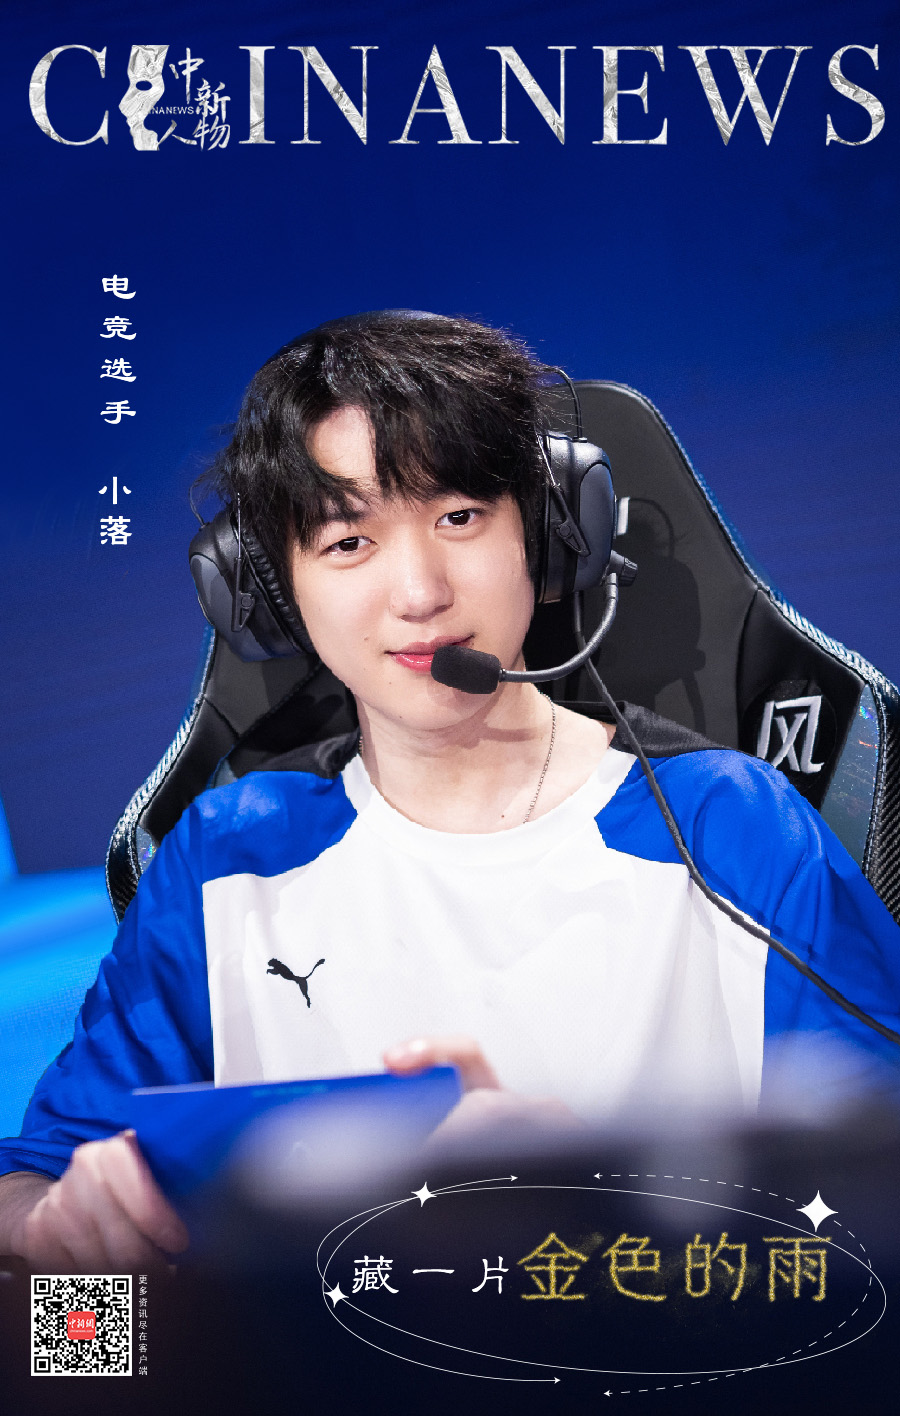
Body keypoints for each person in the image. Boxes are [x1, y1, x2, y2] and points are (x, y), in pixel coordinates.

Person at [1, 311, 898, 1272]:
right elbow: (32, 1183)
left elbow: (874, 1227)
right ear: (271, 592)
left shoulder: (732, 832)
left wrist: (594, 1204)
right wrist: (54, 1236)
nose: (420, 592)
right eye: (349, 542)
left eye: (459, 517)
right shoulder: (224, 860)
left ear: (548, 533)